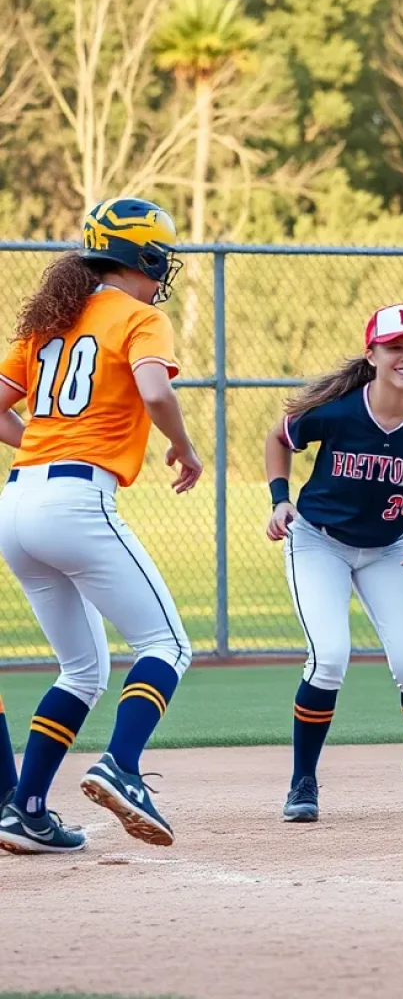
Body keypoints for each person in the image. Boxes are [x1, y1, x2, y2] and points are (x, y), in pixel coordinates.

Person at [0, 197, 203, 855]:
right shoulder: (140, 316)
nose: (161, 271)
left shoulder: (50, 319)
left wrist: (41, 440)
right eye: (157, 259)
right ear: (141, 258)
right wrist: (184, 447)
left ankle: (26, 812)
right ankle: (121, 766)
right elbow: (154, 391)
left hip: (18, 504)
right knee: (166, 646)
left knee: (82, 669)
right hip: (76, 503)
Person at [265, 303, 403, 825]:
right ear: (372, 354)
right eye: (395, 347)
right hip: (319, 542)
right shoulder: (338, 409)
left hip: (390, 549)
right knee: (330, 657)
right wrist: (279, 498)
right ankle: (303, 782)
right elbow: (278, 438)